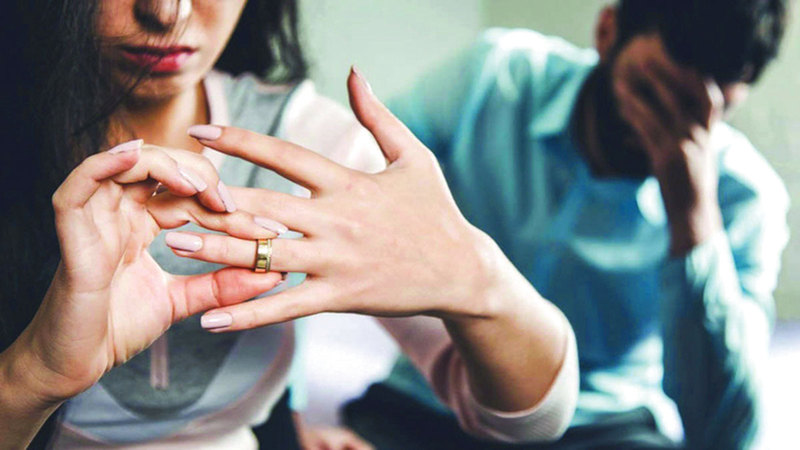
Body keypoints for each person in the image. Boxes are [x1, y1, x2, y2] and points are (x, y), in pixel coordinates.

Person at [0, 0, 580, 448]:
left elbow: (526, 419)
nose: (166, 11)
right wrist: (34, 377)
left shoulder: (316, 143)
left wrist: (479, 277)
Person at [342, 0, 790, 448]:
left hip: (599, 425)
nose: (666, 127)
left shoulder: (743, 200)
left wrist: (692, 221)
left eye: (697, 111)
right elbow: (356, 182)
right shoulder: (494, 79)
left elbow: (725, 436)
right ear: (608, 31)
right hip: (436, 399)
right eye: (651, 92)